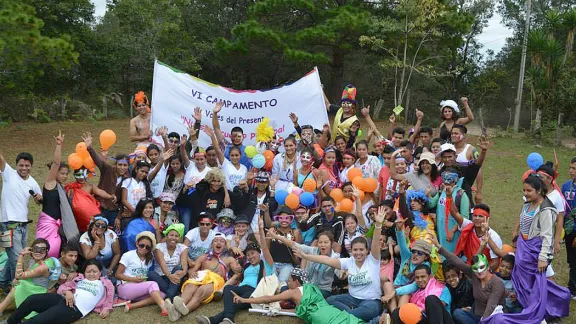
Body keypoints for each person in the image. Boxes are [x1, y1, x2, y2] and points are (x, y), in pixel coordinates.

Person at [486, 175, 570, 323]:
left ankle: (537, 312)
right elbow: (524, 222)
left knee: (532, 284)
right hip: (523, 248)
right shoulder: (527, 204)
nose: (525, 193)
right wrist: (518, 236)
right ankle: (531, 306)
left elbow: (547, 236)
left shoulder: (546, 209)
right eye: (524, 190)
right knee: (522, 281)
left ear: (539, 191)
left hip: (535, 252)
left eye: (529, 190)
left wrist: (543, 258)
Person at [294, 206, 386, 322]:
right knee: (329, 301)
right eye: (355, 250)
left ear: (367, 251)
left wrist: (378, 225)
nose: (358, 253)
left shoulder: (373, 260)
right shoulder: (348, 261)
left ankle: (366, 318)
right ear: (351, 250)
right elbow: (325, 260)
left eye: (361, 250)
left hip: (371, 301)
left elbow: (376, 242)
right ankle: (370, 320)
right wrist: (306, 256)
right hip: (351, 299)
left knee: (361, 312)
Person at [192, 217, 275, 324]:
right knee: (228, 289)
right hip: (241, 289)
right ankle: (228, 319)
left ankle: (213, 320)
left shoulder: (266, 264)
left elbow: (264, 247)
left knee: (235, 302)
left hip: (255, 291)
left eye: (253, 253)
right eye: (248, 255)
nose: (250, 257)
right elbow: (236, 272)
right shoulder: (247, 266)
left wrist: (261, 229)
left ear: (259, 254)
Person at [228, 268, 363, 324]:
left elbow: (268, 298)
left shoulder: (293, 292)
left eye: (290, 280)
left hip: (324, 320)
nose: (288, 282)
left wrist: (244, 299)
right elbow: (304, 309)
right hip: (334, 314)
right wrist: (280, 310)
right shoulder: (313, 289)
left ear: (296, 281)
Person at [5, 259, 114, 324]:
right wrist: (68, 292)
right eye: (88, 271)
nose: (91, 273)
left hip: (74, 308)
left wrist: (106, 308)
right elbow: (62, 288)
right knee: (32, 300)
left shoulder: (106, 284)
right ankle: (11, 322)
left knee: (37, 321)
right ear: (84, 272)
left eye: (94, 271)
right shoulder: (79, 279)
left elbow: (110, 298)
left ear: (100, 272)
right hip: (62, 299)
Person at [431, 231, 504, 324]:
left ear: (488, 266)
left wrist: (482, 322)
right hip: (476, 316)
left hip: (494, 318)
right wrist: (439, 246)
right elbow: (457, 261)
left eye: (482, 267)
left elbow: (491, 306)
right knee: (458, 313)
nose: (479, 271)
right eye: (475, 268)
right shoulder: (475, 275)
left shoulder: (497, 283)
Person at [0, 150, 42, 290]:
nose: (24, 168)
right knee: (16, 258)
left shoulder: (32, 182)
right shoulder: (8, 173)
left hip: (23, 226)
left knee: (15, 256)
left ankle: (3, 282)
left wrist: (38, 199)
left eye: (27, 165)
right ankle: (15, 290)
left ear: (31, 166)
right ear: (16, 165)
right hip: (8, 225)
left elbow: (39, 201)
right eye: (21, 165)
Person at [173, 234, 242, 318]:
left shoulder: (229, 259)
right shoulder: (203, 257)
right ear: (212, 244)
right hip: (200, 277)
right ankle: (180, 304)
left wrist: (224, 287)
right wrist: (191, 272)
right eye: (216, 241)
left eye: (221, 241)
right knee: (190, 286)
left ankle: (185, 309)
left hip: (216, 281)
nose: (218, 243)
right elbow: (193, 269)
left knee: (201, 291)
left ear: (225, 245)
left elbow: (238, 273)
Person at [37, 131, 78, 258]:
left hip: (57, 227)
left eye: (67, 174)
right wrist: (59, 145)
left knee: (55, 254)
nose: (65, 176)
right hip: (47, 226)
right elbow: (56, 163)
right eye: (62, 173)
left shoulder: (61, 188)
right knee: (41, 253)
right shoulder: (50, 182)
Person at [270, 230, 338, 298]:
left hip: (322, 291)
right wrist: (278, 237)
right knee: (285, 290)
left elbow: (340, 272)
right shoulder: (313, 250)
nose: (323, 245)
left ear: (331, 244)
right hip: (307, 287)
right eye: (320, 242)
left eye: (326, 242)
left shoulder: (335, 257)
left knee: (297, 295)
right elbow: (294, 245)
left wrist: (343, 273)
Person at [83, 132, 130, 225]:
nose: (122, 167)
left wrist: (119, 216)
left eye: (125, 165)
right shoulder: (108, 170)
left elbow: (124, 199)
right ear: (115, 164)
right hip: (100, 207)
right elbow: (99, 161)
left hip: (114, 211)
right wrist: (90, 148)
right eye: (120, 164)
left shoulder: (128, 179)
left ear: (128, 166)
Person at [0, 239, 55, 317]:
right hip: (32, 285)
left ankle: (1, 308)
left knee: (19, 286)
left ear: (47, 251)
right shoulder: (33, 260)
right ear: (31, 250)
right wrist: (17, 279)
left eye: (42, 250)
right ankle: (4, 306)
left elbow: (19, 275)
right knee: (18, 282)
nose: (38, 252)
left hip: (39, 290)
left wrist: (21, 255)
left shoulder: (43, 267)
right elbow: (25, 273)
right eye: (35, 249)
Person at [116, 231, 168, 315]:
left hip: (138, 289)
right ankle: (164, 308)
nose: (144, 249)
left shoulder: (149, 259)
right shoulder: (128, 255)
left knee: (162, 294)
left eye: (147, 247)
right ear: (137, 244)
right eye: (141, 245)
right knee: (152, 284)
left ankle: (132, 306)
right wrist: (133, 279)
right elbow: (117, 275)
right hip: (124, 287)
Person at [386, 264, 453, 324]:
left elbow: (436, 308)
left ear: (430, 276)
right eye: (417, 277)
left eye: (423, 276)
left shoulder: (442, 288)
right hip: (421, 319)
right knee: (397, 312)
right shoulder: (416, 290)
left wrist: (418, 312)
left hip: (441, 320)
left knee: (431, 299)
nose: (420, 280)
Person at [427, 168, 470, 253]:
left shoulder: (461, 194)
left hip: (454, 233)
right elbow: (431, 204)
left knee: (452, 256)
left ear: (456, 179)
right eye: (444, 178)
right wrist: (427, 195)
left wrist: (453, 231)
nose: (446, 181)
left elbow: (465, 219)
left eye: (449, 178)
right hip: (440, 230)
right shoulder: (442, 191)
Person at [452, 203, 503, 271]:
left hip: (485, 271)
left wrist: (480, 272)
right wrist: (449, 197)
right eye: (475, 215)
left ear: (487, 218)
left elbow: (495, 263)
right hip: (469, 266)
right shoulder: (468, 226)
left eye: (480, 216)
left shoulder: (494, 238)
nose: (477, 218)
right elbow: (454, 213)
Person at [65, 167, 116, 232]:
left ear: (87, 174)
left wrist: (110, 196)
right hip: (76, 217)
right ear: (74, 175)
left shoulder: (90, 186)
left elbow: (100, 192)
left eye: (83, 174)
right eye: (78, 175)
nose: (81, 177)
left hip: (90, 215)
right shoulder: (71, 187)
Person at [263, 205, 302, 285]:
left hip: (287, 265)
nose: (284, 220)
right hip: (272, 263)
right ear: (277, 219)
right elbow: (266, 249)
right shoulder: (272, 231)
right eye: (281, 218)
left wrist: (298, 264)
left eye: (287, 218)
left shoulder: (295, 232)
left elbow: (298, 250)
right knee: (270, 284)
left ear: (291, 219)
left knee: (282, 282)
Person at [150, 224, 188, 300]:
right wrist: (169, 275)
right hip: (161, 277)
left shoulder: (183, 247)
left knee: (178, 268)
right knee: (151, 274)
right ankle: (174, 294)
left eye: (176, 236)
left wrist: (184, 271)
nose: (173, 238)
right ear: (166, 236)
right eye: (171, 235)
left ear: (179, 238)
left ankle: (168, 297)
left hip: (176, 276)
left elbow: (184, 262)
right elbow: (162, 263)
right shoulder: (158, 247)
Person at [211, 101, 252, 169]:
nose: (236, 138)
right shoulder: (225, 146)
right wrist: (215, 113)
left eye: (239, 136)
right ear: (230, 137)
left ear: (243, 137)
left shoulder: (247, 151)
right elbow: (216, 128)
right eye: (234, 136)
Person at [561, 157, 576, 298]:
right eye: (570, 167)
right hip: (569, 229)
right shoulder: (566, 186)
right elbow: (563, 209)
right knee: (572, 259)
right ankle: (572, 287)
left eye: (574, 168)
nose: (571, 171)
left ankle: (573, 289)